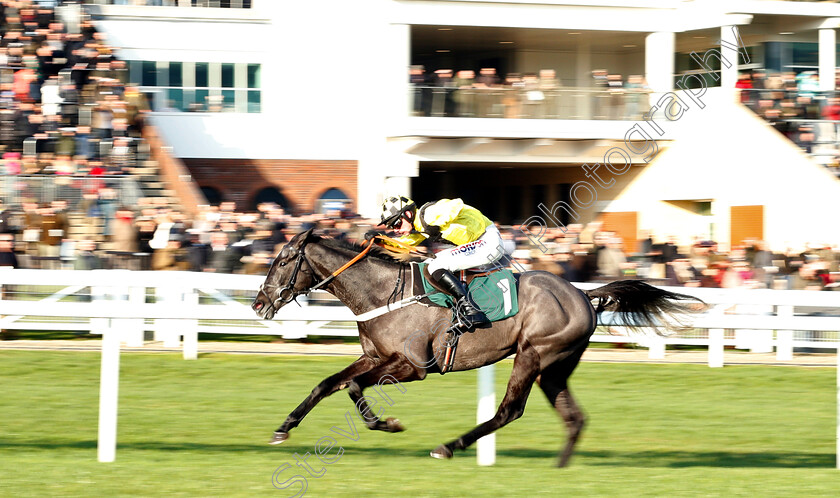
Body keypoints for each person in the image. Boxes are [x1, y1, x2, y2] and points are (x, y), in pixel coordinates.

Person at [377, 196, 504, 330]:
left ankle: (470, 310)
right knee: (430, 263)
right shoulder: (421, 226)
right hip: (480, 241)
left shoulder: (429, 215)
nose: (395, 230)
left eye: (396, 224)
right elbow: (403, 245)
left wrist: (445, 215)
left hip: (488, 241)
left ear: (407, 214)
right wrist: (380, 240)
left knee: (436, 265)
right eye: (392, 226)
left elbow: (456, 204)